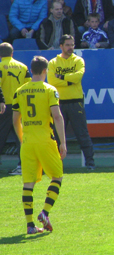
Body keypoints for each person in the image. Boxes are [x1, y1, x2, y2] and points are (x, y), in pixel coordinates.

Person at [13, 55, 66, 234]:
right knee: (57, 177)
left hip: (27, 142)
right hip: (45, 140)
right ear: (45, 71)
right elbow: (57, 116)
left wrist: (22, 139)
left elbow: (15, 120)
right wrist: (63, 142)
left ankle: (29, 226)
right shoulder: (50, 90)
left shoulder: (19, 91)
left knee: (28, 183)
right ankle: (44, 212)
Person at [47, 34, 95, 169]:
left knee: (82, 133)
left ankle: (90, 163)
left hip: (76, 102)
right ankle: (56, 164)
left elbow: (78, 77)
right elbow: (51, 81)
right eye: (67, 45)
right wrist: (69, 80)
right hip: (58, 103)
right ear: (61, 46)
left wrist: (62, 77)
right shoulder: (53, 62)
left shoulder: (78, 60)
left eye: (72, 45)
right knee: (56, 135)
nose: (70, 47)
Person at [0, 43, 31, 176]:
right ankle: (22, 166)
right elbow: (29, 85)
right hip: (20, 107)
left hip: (4, 107)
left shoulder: (1, 66)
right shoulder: (23, 66)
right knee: (21, 138)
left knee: (1, 136)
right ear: (12, 53)